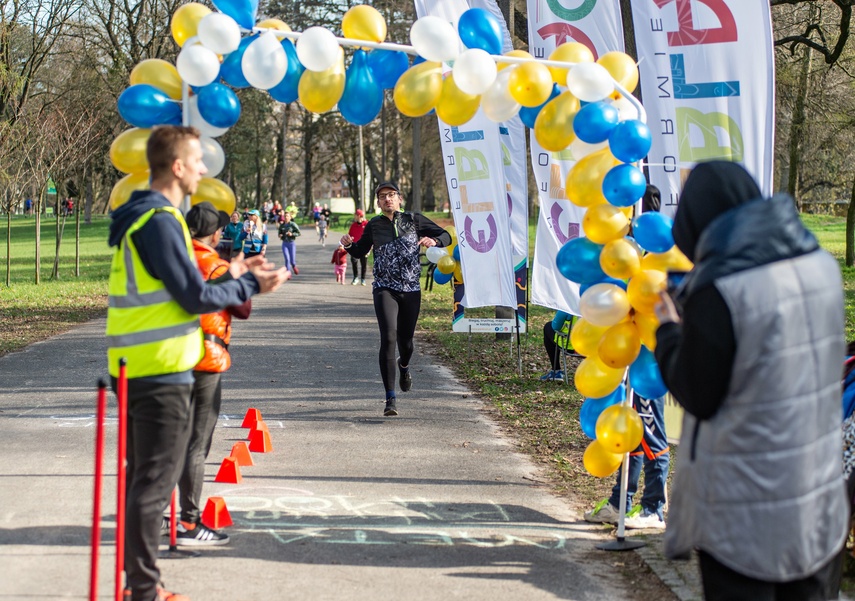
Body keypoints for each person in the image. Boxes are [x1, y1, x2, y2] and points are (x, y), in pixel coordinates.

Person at [106, 125, 288, 601]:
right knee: (153, 481)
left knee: (144, 477)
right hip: (158, 366)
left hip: (145, 363)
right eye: (198, 161)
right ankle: (144, 590)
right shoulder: (160, 220)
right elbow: (194, 297)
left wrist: (238, 274)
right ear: (178, 166)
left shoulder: (148, 217)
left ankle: (140, 585)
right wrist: (249, 286)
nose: (205, 170)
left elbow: (187, 289)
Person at [653, 161, 847, 600]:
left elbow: (697, 392)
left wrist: (668, 330)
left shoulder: (721, 288)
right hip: (817, 493)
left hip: (744, 509)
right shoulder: (822, 265)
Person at [175, 202, 256, 547]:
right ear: (214, 233)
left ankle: (164, 514)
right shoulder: (213, 264)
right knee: (197, 441)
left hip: (168, 355)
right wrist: (240, 277)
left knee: (171, 439)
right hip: (205, 356)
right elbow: (243, 308)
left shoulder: (173, 258)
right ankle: (190, 522)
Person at [340, 182, 451, 417]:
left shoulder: (414, 220)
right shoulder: (374, 225)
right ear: (378, 203)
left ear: (399, 199)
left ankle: (404, 366)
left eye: (391, 195)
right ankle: (390, 398)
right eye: (382, 197)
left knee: (406, 342)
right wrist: (350, 246)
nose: (387, 199)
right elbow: (361, 250)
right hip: (384, 288)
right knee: (388, 337)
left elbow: (445, 235)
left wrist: (435, 241)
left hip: (410, 288)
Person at [540, 311, 575, 382]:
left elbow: (555, 326)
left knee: (548, 327)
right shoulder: (599, 307)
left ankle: (556, 371)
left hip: (571, 346)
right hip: (593, 347)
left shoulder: (568, 305)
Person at [348, 209, 368, 286]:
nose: (354, 217)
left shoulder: (366, 224)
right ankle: (355, 277)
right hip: (355, 247)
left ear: (359, 216)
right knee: (354, 262)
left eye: (355, 215)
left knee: (363, 264)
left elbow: (371, 237)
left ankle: (363, 279)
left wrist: (369, 248)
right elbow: (350, 235)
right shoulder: (353, 225)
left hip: (364, 247)